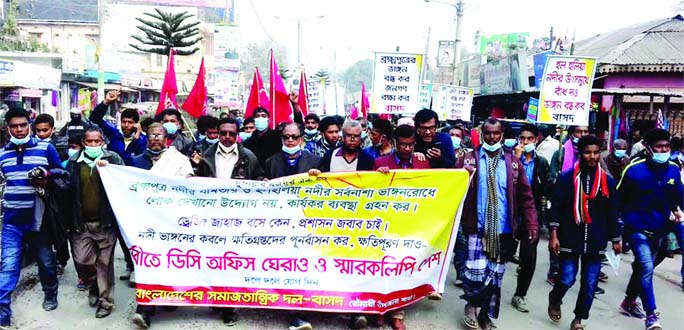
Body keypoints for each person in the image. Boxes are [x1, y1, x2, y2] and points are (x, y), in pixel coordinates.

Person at [454, 118, 538, 330]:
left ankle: (484, 316)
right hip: (477, 229)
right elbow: (451, 189)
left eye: (496, 133)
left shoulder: (513, 164)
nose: (492, 137)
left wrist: (531, 224)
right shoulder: (468, 160)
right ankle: (471, 305)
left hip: (504, 231)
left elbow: (526, 197)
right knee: (475, 272)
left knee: (495, 277)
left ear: (502, 134)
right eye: (488, 133)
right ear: (482, 134)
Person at [547, 135, 621, 330]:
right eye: (588, 152)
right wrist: (553, 234)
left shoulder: (608, 182)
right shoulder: (566, 178)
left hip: (596, 239)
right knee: (566, 278)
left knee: (589, 285)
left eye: (596, 152)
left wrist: (615, 238)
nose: (592, 156)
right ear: (581, 153)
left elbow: (612, 212)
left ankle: (578, 319)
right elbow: (556, 207)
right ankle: (555, 298)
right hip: (570, 236)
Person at [0, 108, 65, 328]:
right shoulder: (2, 155)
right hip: (12, 220)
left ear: (29, 124)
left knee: (46, 262)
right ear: (7, 128)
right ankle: (3, 311)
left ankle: (50, 293)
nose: (18, 130)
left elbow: (61, 173)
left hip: (39, 218)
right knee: (8, 266)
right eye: (14, 126)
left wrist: (46, 176)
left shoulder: (46, 148)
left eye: (22, 125)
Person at [195, 117, 263, 325]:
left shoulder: (249, 157)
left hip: (237, 220)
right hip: (211, 219)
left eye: (231, 134)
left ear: (237, 134)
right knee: (213, 261)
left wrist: (263, 184)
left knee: (231, 263)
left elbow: (258, 179)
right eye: (222, 133)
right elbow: (194, 183)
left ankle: (229, 307)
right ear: (218, 132)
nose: (226, 137)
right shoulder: (205, 156)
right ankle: (217, 298)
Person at [307, 119, 374, 330]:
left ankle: (355, 312)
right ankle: (326, 304)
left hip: (357, 221)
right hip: (330, 220)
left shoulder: (368, 159)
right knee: (328, 262)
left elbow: (376, 188)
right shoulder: (329, 156)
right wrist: (316, 176)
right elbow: (318, 179)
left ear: (361, 137)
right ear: (342, 137)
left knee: (354, 266)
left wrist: (382, 174)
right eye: (348, 136)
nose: (352, 140)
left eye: (356, 136)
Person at [617, 129, 683, 330]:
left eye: (666, 147)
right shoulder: (633, 170)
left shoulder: (673, 169)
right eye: (659, 147)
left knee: (647, 265)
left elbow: (677, 195)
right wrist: (615, 233)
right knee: (646, 266)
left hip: (660, 227)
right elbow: (618, 200)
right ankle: (652, 315)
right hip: (636, 227)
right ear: (648, 148)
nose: (663, 150)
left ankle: (629, 301)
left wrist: (676, 209)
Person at [130, 123, 193, 328]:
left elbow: (189, 187)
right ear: (146, 138)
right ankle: (145, 309)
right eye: (152, 135)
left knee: (171, 263)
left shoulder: (179, 161)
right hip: (146, 223)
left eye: (159, 135)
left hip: (173, 222)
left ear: (167, 138)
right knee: (148, 264)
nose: (155, 138)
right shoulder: (136, 161)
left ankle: (168, 297)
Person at [373, 124, 430, 330]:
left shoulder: (422, 163)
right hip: (387, 224)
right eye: (403, 145)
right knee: (383, 266)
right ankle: (381, 309)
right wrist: (379, 176)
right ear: (394, 143)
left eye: (411, 145)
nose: (407, 149)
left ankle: (397, 312)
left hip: (411, 225)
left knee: (403, 268)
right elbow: (372, 193)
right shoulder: (380, 162)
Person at [65, 126, 124, 319]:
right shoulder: (74, 163)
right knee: (83, 261)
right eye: (88, 142)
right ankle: (94, 287)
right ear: (83, 143)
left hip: (105, 223)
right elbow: (67, 190)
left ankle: (105, 302)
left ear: (102, 142)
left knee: (104, 264)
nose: (92, 145)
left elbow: (124, 184)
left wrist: (111, 172)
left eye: (96, 142)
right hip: (81, 224)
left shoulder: (113, 159)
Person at [510, 123, 552, 313]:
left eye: (530, 139)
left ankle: (520, 294)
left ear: (536, 140)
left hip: (530, 215)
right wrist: (515, 160)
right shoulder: (509, 157)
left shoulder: (541, 162)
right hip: (510, 214)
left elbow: (546, 188)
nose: (525, 142)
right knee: (502, 254)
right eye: (523, 138)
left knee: (528, 258)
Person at [548, 125, 590, 285]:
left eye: (585, 132)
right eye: (579, 131)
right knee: (558, 233)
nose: (582, 134)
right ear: (572, 133)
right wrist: (558, 180)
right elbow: (550, 176)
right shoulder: (561, 153)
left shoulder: (592, 154)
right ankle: (555, 269)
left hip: (584, 203)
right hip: (564, 202)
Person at [91, 90, 147, 166]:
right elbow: (95, 119)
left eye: (130, 122)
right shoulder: (114, 133)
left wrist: (135, 141)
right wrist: (106, 102)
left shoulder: (143, 140)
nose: (126, 125)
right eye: (124, 122)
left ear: (136, 124)